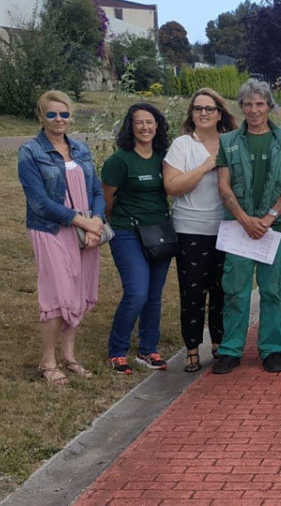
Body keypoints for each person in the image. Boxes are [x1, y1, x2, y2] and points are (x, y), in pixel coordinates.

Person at [212, 79, 281, 375]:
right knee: (235, 290)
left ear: (269, 106)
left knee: (273, 290)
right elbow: (224, 185)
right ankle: (230, 349)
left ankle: (271, 349)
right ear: (241, 107)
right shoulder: (228, 142)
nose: (254, 110)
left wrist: (269, 217)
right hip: (238, 227)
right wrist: (244, 219)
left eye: (260, 104)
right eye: (248, 104)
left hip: (274, 228)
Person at [18, 90, 104, 385]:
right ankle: (48, 361)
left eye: (64, 114)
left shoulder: (81, 149)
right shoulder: (30, 152)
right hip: (51, 230)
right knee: (57, 293)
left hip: (85, 231)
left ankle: (69, 357)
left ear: (71, 116)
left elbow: (96, 191)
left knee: (77, 291)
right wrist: (82, 221)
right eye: (52, 114)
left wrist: (97, 222)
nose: (58, 119)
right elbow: (39, 202)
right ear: (41, 116)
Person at [163, 88, 237, 373]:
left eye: (209, 108)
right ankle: (192, 348)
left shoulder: (230, 143)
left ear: (220, 113)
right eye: (198, 109)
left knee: (221, 290)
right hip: (191, 229)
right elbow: (172, 186)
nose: (203, 113)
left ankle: (219, 342)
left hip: (227, 228)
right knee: (193, 293)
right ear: (191, 114)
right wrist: (207, 165)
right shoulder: (183, 145)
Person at [102, 103, 172, 374]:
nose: (145, 127)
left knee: (154, 295)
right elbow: (108, 201)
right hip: (127, 232)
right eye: (139, 122)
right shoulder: (119, 161)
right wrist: (115, 221)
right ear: (130, 127)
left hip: (160, 233)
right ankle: (117, 350)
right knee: (136, 293)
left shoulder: (163, 157)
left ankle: (148, 348)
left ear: (157, 126)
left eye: (150, 122)